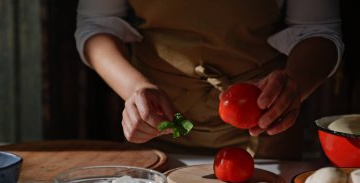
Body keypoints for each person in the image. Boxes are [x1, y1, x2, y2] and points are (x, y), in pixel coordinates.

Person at [75, 0, 344, 158]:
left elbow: (316, 30)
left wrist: (292, 84)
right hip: (157, 125)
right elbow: (99, 25)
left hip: (267, 123)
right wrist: (136, 89)